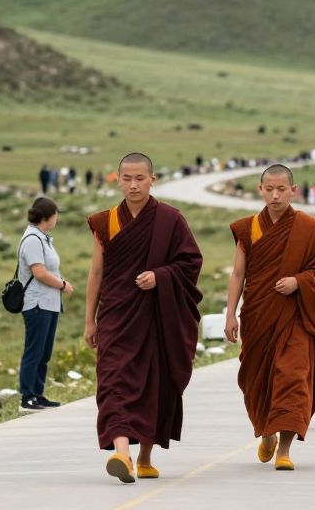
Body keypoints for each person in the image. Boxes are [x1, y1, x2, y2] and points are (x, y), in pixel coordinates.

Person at [86, 154, 203, 482]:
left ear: (153, 180)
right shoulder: (104, 222)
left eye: (140, 178)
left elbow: (191, 262)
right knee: (113, 382)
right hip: (115, 315)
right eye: (127, 178)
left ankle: (145, 456)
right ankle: (122, 455)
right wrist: (89, 320)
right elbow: (96, 273)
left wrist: (161, 276)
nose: (133, 185)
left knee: (152, 384)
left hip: (155, 318)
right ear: (118, 179)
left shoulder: (170, 219)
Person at [226, 165, 315, 471]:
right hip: (258, 317)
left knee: (293, 379)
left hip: (297, 318)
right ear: (260, 190)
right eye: (269, 189)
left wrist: (299, 282)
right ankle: (267, 432)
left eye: (281, 190)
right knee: (258, 382)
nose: (275, 195)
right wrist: (230, 314)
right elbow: (238, 274)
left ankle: (285, 450)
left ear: (293, 190)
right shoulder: (247, 229)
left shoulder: (308, 227)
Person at [19, 197, 73, 415]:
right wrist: (63, 285)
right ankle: (27, 396)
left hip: (49, 303)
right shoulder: (32, 239)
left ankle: (38, 393)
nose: (57, 219)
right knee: (34, 351)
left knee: (44, 352)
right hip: (37, 302)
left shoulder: (43, 238)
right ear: (46, 217)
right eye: (55, 215)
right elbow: (39, 272)